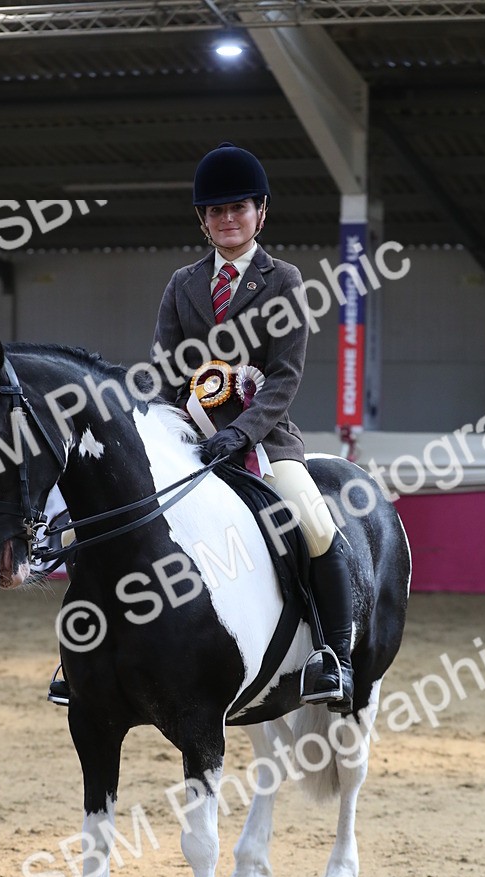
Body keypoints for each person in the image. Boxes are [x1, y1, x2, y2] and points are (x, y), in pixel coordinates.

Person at [150, 142, 355, 712]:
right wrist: (169, 428)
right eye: (216, 211)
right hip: (187, 438)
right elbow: (165, 371)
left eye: (238, 208)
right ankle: (87, 659)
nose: (227, 219)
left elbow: (285, 379)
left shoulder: (285, 280)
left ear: (260, 212)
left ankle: (333, 658)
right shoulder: (181, 284)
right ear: (203, 220)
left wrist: (239, 434)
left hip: (264, 440)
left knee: (315, 526)